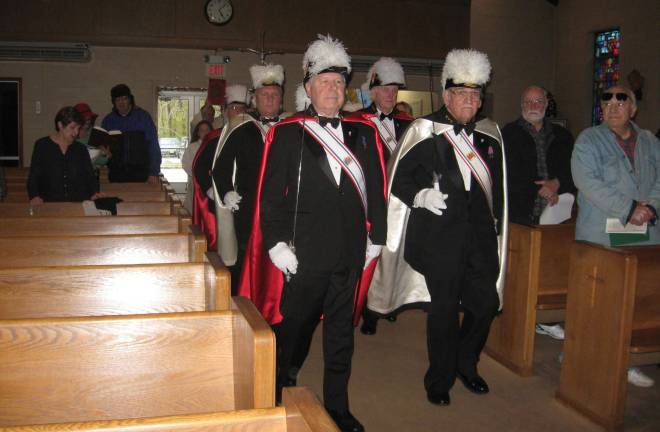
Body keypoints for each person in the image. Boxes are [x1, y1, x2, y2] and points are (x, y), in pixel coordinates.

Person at [239, 34, 387, 432]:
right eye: (324, 83)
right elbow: (270, 196)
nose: (333, 90)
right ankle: (282, 384)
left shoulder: (364, 132)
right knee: (296, 328)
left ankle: (337, 406)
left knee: (341, 335)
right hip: (303, 253)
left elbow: (376, 187)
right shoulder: (288, 132)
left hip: (350, 252)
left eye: (339, 83)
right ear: (307, 89)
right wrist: (276, 244)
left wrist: (378, 238)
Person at [370, 49, 507, 406]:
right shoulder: (424, 130)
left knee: (486, 304)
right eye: (461, 94)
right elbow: (397, 178)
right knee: (444, 312)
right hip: (438, 241)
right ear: (446, 96)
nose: (469, 100)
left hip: (479, 240)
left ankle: (466, 362)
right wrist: (420, 196)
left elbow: (500, 190)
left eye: (475, 95)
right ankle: (440, 379)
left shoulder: (490, 136)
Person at [571, 85, 659, 387]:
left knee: (634, 304)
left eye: (621, 101)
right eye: (606, 101)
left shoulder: (649, 140)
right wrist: (629, 207)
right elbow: (587, 181)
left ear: (633, 109)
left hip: (644, 236)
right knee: (598, 305)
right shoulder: (589, 140)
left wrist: (652, 208)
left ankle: (623, 361)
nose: (612, 106)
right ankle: (582, 357)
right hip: (602, 238)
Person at [502, 85, 576, 340]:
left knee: (551, 268)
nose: (534, 105)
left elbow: (573, 173)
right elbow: (504, 175)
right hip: (520, 213)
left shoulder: (563, 136)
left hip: (556, 213)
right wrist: (539, 190)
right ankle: (517, 319)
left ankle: (545, 320)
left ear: (546, 104)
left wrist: (557, 184)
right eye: (529, 101)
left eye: (538, 100)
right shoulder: (507, 134)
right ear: (521, 104)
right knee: (519, 270)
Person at [348, 57, 414, 336]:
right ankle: (368, 310)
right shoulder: (358, 120)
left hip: (401, 201)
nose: (390, 94)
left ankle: (388, 303)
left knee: (395, 256)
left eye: (394, 89)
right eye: (385, 89)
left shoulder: (407, 123)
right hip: (370, 199)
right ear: (373, 90)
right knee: (372, 255)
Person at [212, 65, 285, 294]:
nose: (270, 99)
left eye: (275, 95)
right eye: (265, 95)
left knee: (278, 257)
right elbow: (220, 168)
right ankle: (242, 304)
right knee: (245, 259)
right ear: (255, 99)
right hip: (248, 207)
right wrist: (226, 192)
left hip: (282, 209)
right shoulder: (240, 126)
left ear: (281, 100)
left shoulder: (290, 129)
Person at [191, 84, 250, 251]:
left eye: (241, 108)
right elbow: (200, 167)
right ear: (225, 111)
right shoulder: (214, 137)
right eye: (233, 108)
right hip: (218, 203)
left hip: (245, 205)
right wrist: (211, 190)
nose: (237, 112)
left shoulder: (254, 136)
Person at [27, 106, 98, 203]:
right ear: (60, 125)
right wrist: (34, 196)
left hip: (78, 203)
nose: (76, 133)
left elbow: (90, 176)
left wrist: (95, 193)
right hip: (49, 204)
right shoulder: (42, 145)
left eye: (78, 128)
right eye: (72, 127)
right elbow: (34, 175)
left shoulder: (80, 149)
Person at [101, 84, 161, 183]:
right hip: (116, 173)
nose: (121, 102)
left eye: (124, 98)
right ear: (114, 102)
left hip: (141, 172)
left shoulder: (143, 117)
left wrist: (154, 172)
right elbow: (103, 148)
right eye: (118, 100)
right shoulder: (108, 121)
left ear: (130, 100)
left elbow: (153, 146)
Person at [182, 120, 213, 213]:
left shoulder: (215, 145)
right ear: (198, 133)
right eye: (202, 130)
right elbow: (186, 164)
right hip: (196, 183)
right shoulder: (192, 147)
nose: (205, 133)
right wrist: (197, 176)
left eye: (207, 130)